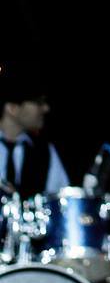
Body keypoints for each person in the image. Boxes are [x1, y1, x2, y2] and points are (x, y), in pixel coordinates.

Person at [0, 65, 69, 197]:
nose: (46, 108)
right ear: (12, 108)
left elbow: (62, 198)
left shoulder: (44, 151)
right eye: (39, 102)